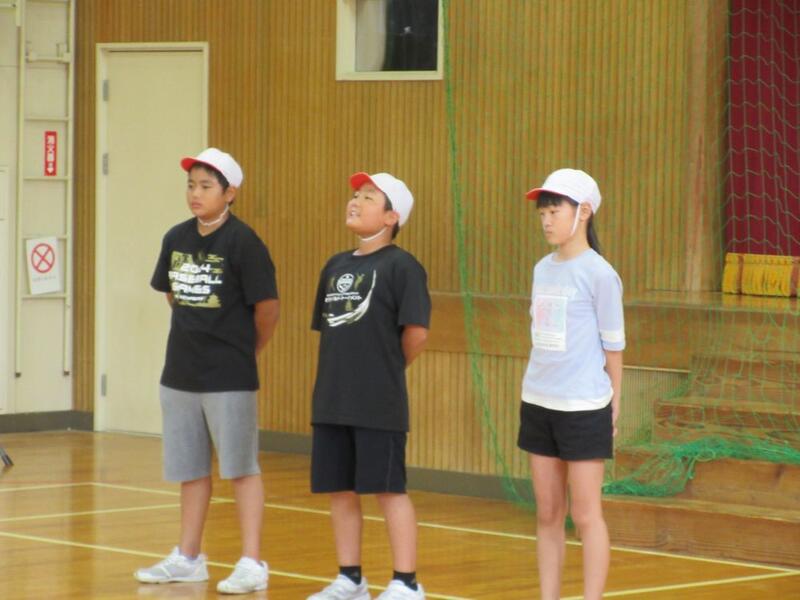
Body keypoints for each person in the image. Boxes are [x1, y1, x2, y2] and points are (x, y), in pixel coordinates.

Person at [135, 147, 280, 595]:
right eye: (191, 185)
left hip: (229, 375)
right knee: (191, 468)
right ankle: (188, 557)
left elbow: (268, 309)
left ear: (229, 193)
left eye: (205, 186)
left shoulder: (244, 243)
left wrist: (245, 351)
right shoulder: (176, 237)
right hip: (180, 372)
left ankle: (252, 562)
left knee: (241, 467)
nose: (195, 193)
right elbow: (172, 293)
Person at [307, 172, 431, 600]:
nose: (355, 201)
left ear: (392, 217)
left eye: (368, 197)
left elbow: (416, 334)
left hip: (378, 402)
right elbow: (329, 330)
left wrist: (385, 370)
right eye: (355, 194)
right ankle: (350, 578)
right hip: (332, 399)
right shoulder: (335, 266)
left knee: (388, 489)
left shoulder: (403, 267)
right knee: (340, 490)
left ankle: (406, 582)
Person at [518, 168, 624, 600]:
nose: (546, 220)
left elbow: (613, 347)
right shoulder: (542, 269)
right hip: (538, 402)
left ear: (583, 212)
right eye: (543, 212)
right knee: (548, 512)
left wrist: (613, 405)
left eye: (555, 211)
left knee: (584, 515)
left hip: (584, 408)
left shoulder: (600, 274)